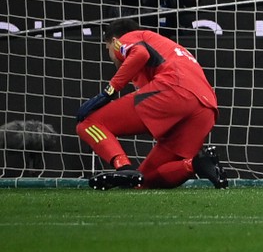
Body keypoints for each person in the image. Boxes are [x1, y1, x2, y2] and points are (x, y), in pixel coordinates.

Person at [75, 18, 226, 190]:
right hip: (206, 108)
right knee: (141, 182)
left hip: (175, 89)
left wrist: (109, 91)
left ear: (113, 41)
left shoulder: (126, 39)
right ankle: (197, 164)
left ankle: (122, 166)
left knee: (87, 123)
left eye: (107, 48)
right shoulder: (168, 49)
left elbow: (139, 54)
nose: (111, 56)